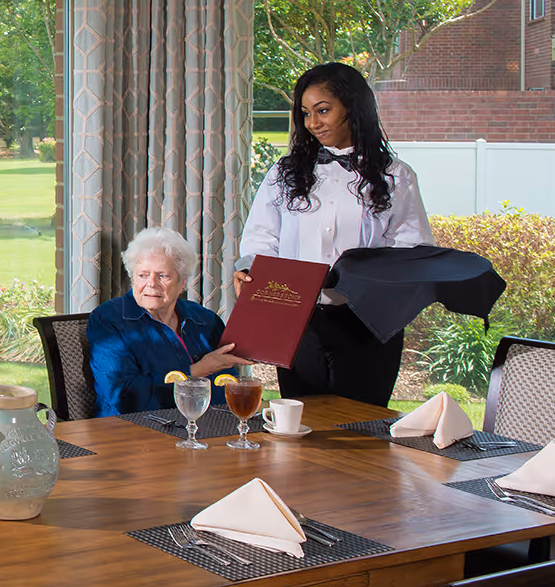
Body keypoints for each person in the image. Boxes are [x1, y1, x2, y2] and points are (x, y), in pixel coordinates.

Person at [237, 61, 434, 407]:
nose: (313, 123)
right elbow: (262, 237)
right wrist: (251, 269)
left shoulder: (396, 177)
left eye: (323, 110)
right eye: (306, 114)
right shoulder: (284, 174)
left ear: (353, 106)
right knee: (299, 425)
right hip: (298, 320)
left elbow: (413, 251)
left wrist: (366, 276)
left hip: (368, 323)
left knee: (362, 430)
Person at [87, 227, 248, 416]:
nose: (151, 284)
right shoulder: (109, 320)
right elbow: (122, 396)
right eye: (143, 275)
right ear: (132, 278)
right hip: (131, 431)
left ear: (182, 283)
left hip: (208, 428)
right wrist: (198, 370)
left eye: (162, 276)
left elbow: (229, 385)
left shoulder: (204, 320)